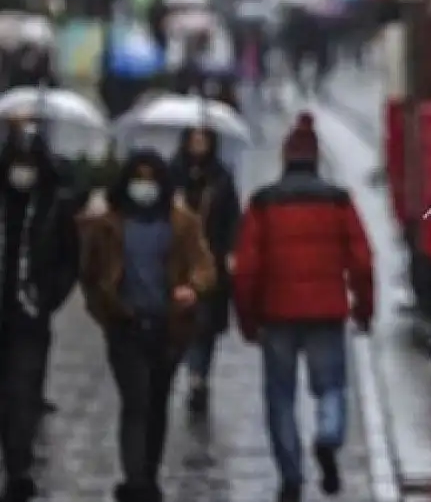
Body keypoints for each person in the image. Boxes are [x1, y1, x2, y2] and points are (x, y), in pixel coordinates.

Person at [233, 113, 374, 502]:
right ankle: (328, 435)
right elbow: (362, 261)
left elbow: (246, 269)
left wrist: (247, 319)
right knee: (331, 387)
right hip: (327, 312)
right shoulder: (338, 200)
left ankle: (291, 475)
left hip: (276, 315)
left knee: (280, 396)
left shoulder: (263, 203)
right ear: (316, 159)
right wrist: (364, 308)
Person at [78, 149, 216, 502]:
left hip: (168, 328)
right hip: (125, 326)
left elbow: (204, 265)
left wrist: (193, 288)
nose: (145, 186)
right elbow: (91, 273)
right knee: (135, 400)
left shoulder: (181, 223)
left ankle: (148, 474)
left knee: (156, 403)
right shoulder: (110, 223)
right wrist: (105, 311)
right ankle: (135, 479)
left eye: (151, 179)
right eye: (138, 178)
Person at [0, 125, 80, 502]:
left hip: (29, 316)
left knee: (22, 392)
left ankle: (18, 467)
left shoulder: (53, 205)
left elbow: (69, 258)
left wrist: (47, 297)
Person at [171, 128, 241, 416]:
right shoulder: (173, 174)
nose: (198, 144)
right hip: (177, 261)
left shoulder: (221, 177)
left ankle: (198, 376)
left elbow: (233, 218)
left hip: (211, 260)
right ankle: (192, 372)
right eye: (194, 139)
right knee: (183, 321)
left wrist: (231, 252)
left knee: (205, 325)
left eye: (204, 139)